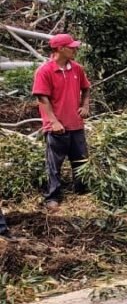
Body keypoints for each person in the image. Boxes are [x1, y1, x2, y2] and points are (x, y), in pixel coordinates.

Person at [32, 33, 91, 211]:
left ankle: (82, 190)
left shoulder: (77, 69)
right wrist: (53, 121)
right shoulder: (45, 71)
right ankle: (52, 196)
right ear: (60, 49)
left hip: (76, 124)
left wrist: (85, 106)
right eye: (71, 47)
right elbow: (42, 98)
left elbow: (86, 88)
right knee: (54, 165)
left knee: (81, 161)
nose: (75, 49)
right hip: (56, 127)